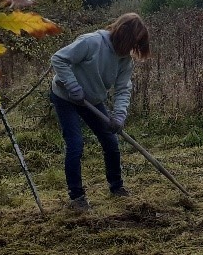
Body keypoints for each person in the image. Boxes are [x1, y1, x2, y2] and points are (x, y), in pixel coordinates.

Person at [50, 12, 151, 210]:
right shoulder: (92, 42)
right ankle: (77, 198)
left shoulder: (124, 61)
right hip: (65, 97)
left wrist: (119, 115)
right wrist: (72, 86)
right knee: (76, 144)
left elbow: (123, 89)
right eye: (132, 43)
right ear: (123, 35)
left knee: (111, 141)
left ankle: (116, 187)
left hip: (92, 100)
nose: (132, 49)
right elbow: (59, 59)